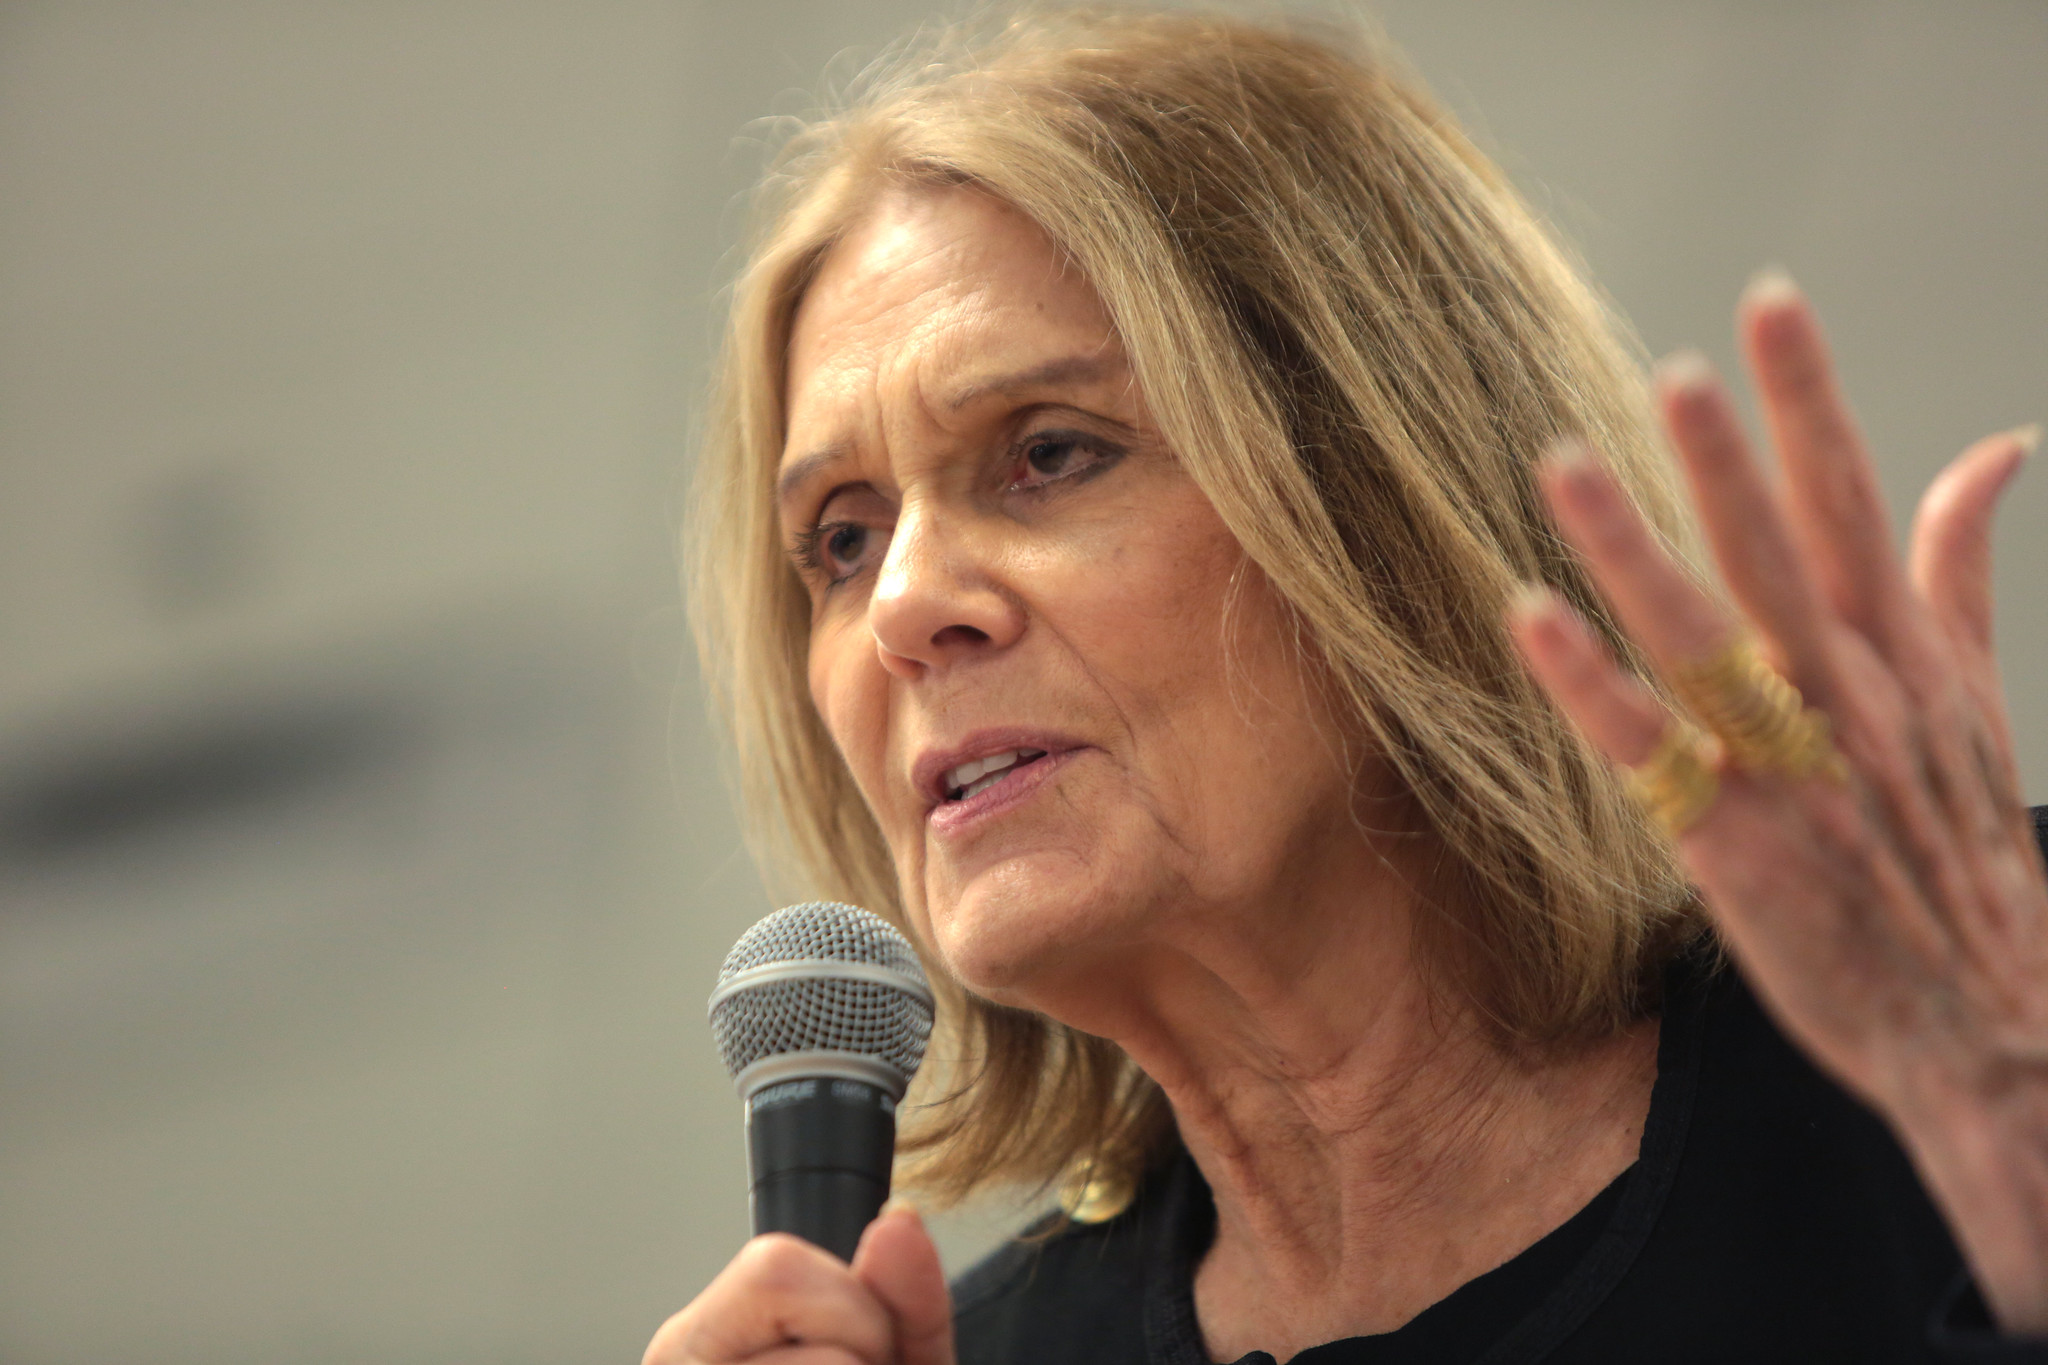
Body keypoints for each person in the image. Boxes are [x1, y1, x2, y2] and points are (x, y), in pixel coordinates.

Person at [649, 9, 2048, 1362]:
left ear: (1385, 498)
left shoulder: (1972, 1024)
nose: (900, 608)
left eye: (1051, 452)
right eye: (842, 538)